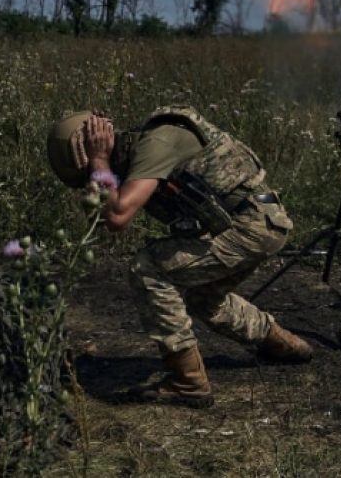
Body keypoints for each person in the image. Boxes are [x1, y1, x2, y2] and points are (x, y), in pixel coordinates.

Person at [46, 106, 314, 409]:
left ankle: (188, 382)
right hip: (251, 224)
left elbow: (118, 216)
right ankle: (284, 345)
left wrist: (97, 160)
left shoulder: (154, 143)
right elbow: (108, 214)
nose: (93, 181)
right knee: (205, 300)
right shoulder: (140, 151)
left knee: (147, 267)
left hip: (251, 225)